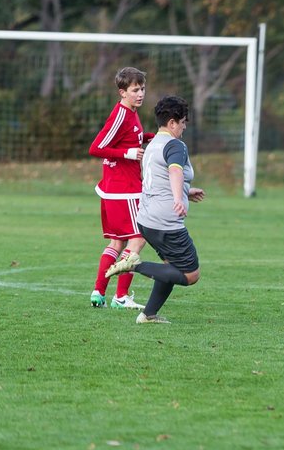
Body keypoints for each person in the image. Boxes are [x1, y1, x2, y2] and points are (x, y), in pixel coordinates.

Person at [105, 95, 205, 324]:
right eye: (182, 122)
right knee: (190, 275)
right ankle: (134, 264)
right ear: (172, 122)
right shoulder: (175, 144)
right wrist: (179, 197)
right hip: (165, 221)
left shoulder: (152, 146)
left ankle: (147, 315)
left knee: (170, 266)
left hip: (147, 219)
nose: (184, 127)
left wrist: (186, 192)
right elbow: (174, 170)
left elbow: (157, 179)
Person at [87, 66, 150, 309]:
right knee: (139, 237)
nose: (140, 93)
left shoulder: (132, 114)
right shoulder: (121, 114)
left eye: (142, 88)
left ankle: (98, 292)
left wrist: (149, 138)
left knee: (117, 243)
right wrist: (128, 153)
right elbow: (96, 148)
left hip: (119, 189)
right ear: (122, 92)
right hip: (124, 190)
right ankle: (121, 296)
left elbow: (129, 137)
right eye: (135, 90)